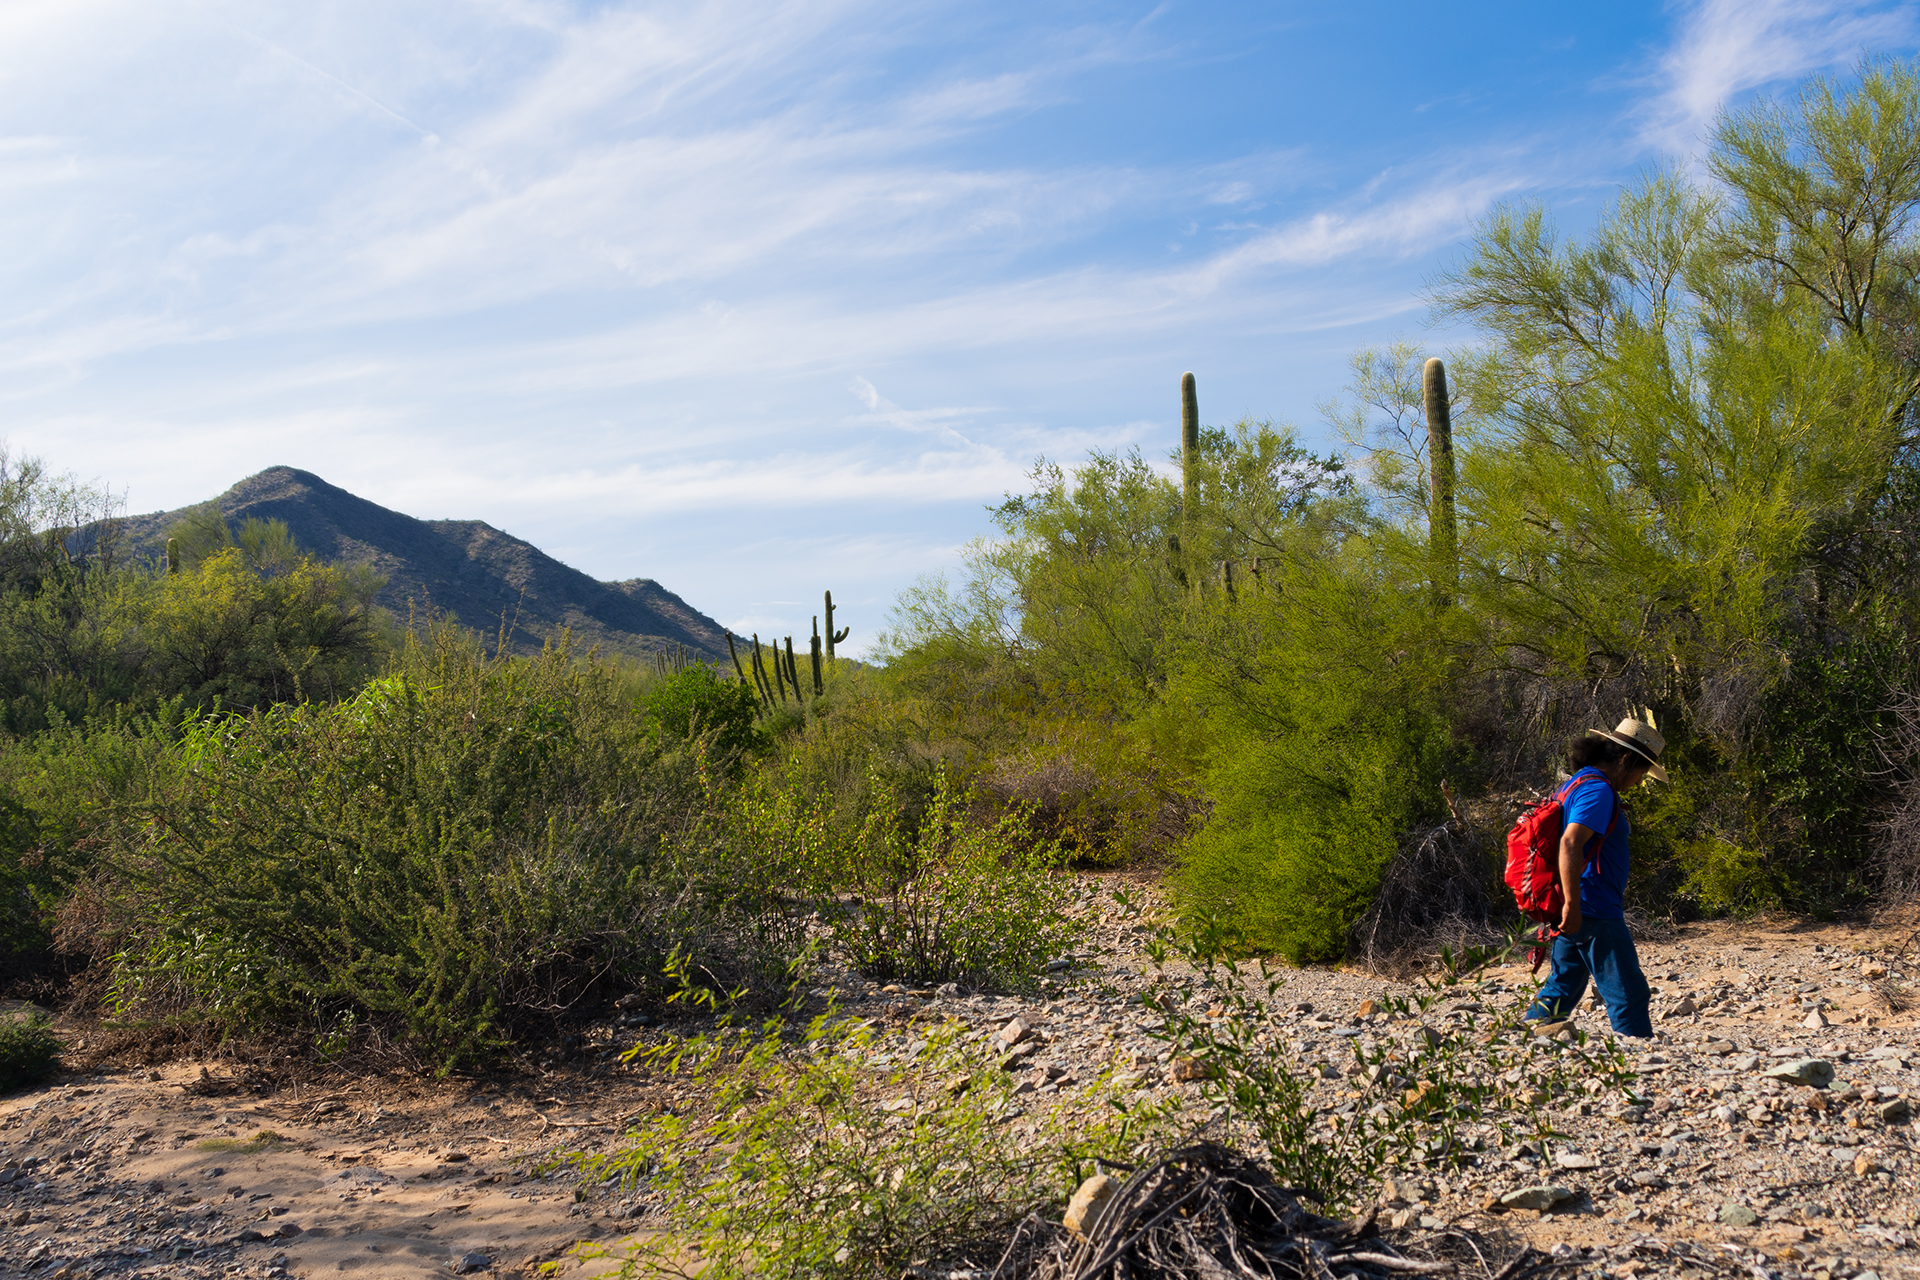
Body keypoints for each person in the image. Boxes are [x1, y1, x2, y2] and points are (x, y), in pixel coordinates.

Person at [1525, 717, 1669, 1038]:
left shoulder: (1575, 783)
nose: (1638, 782)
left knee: (1563, 985)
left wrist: (1568, 904)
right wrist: (1574, 906)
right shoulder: (1598, 790)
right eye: (1641, 773)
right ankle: (1639, 1060)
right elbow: (1570, 842)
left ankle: (1521, 1046)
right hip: (1593, 907)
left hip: (1575, 904)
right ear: (1625, 760)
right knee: (1628, 993)